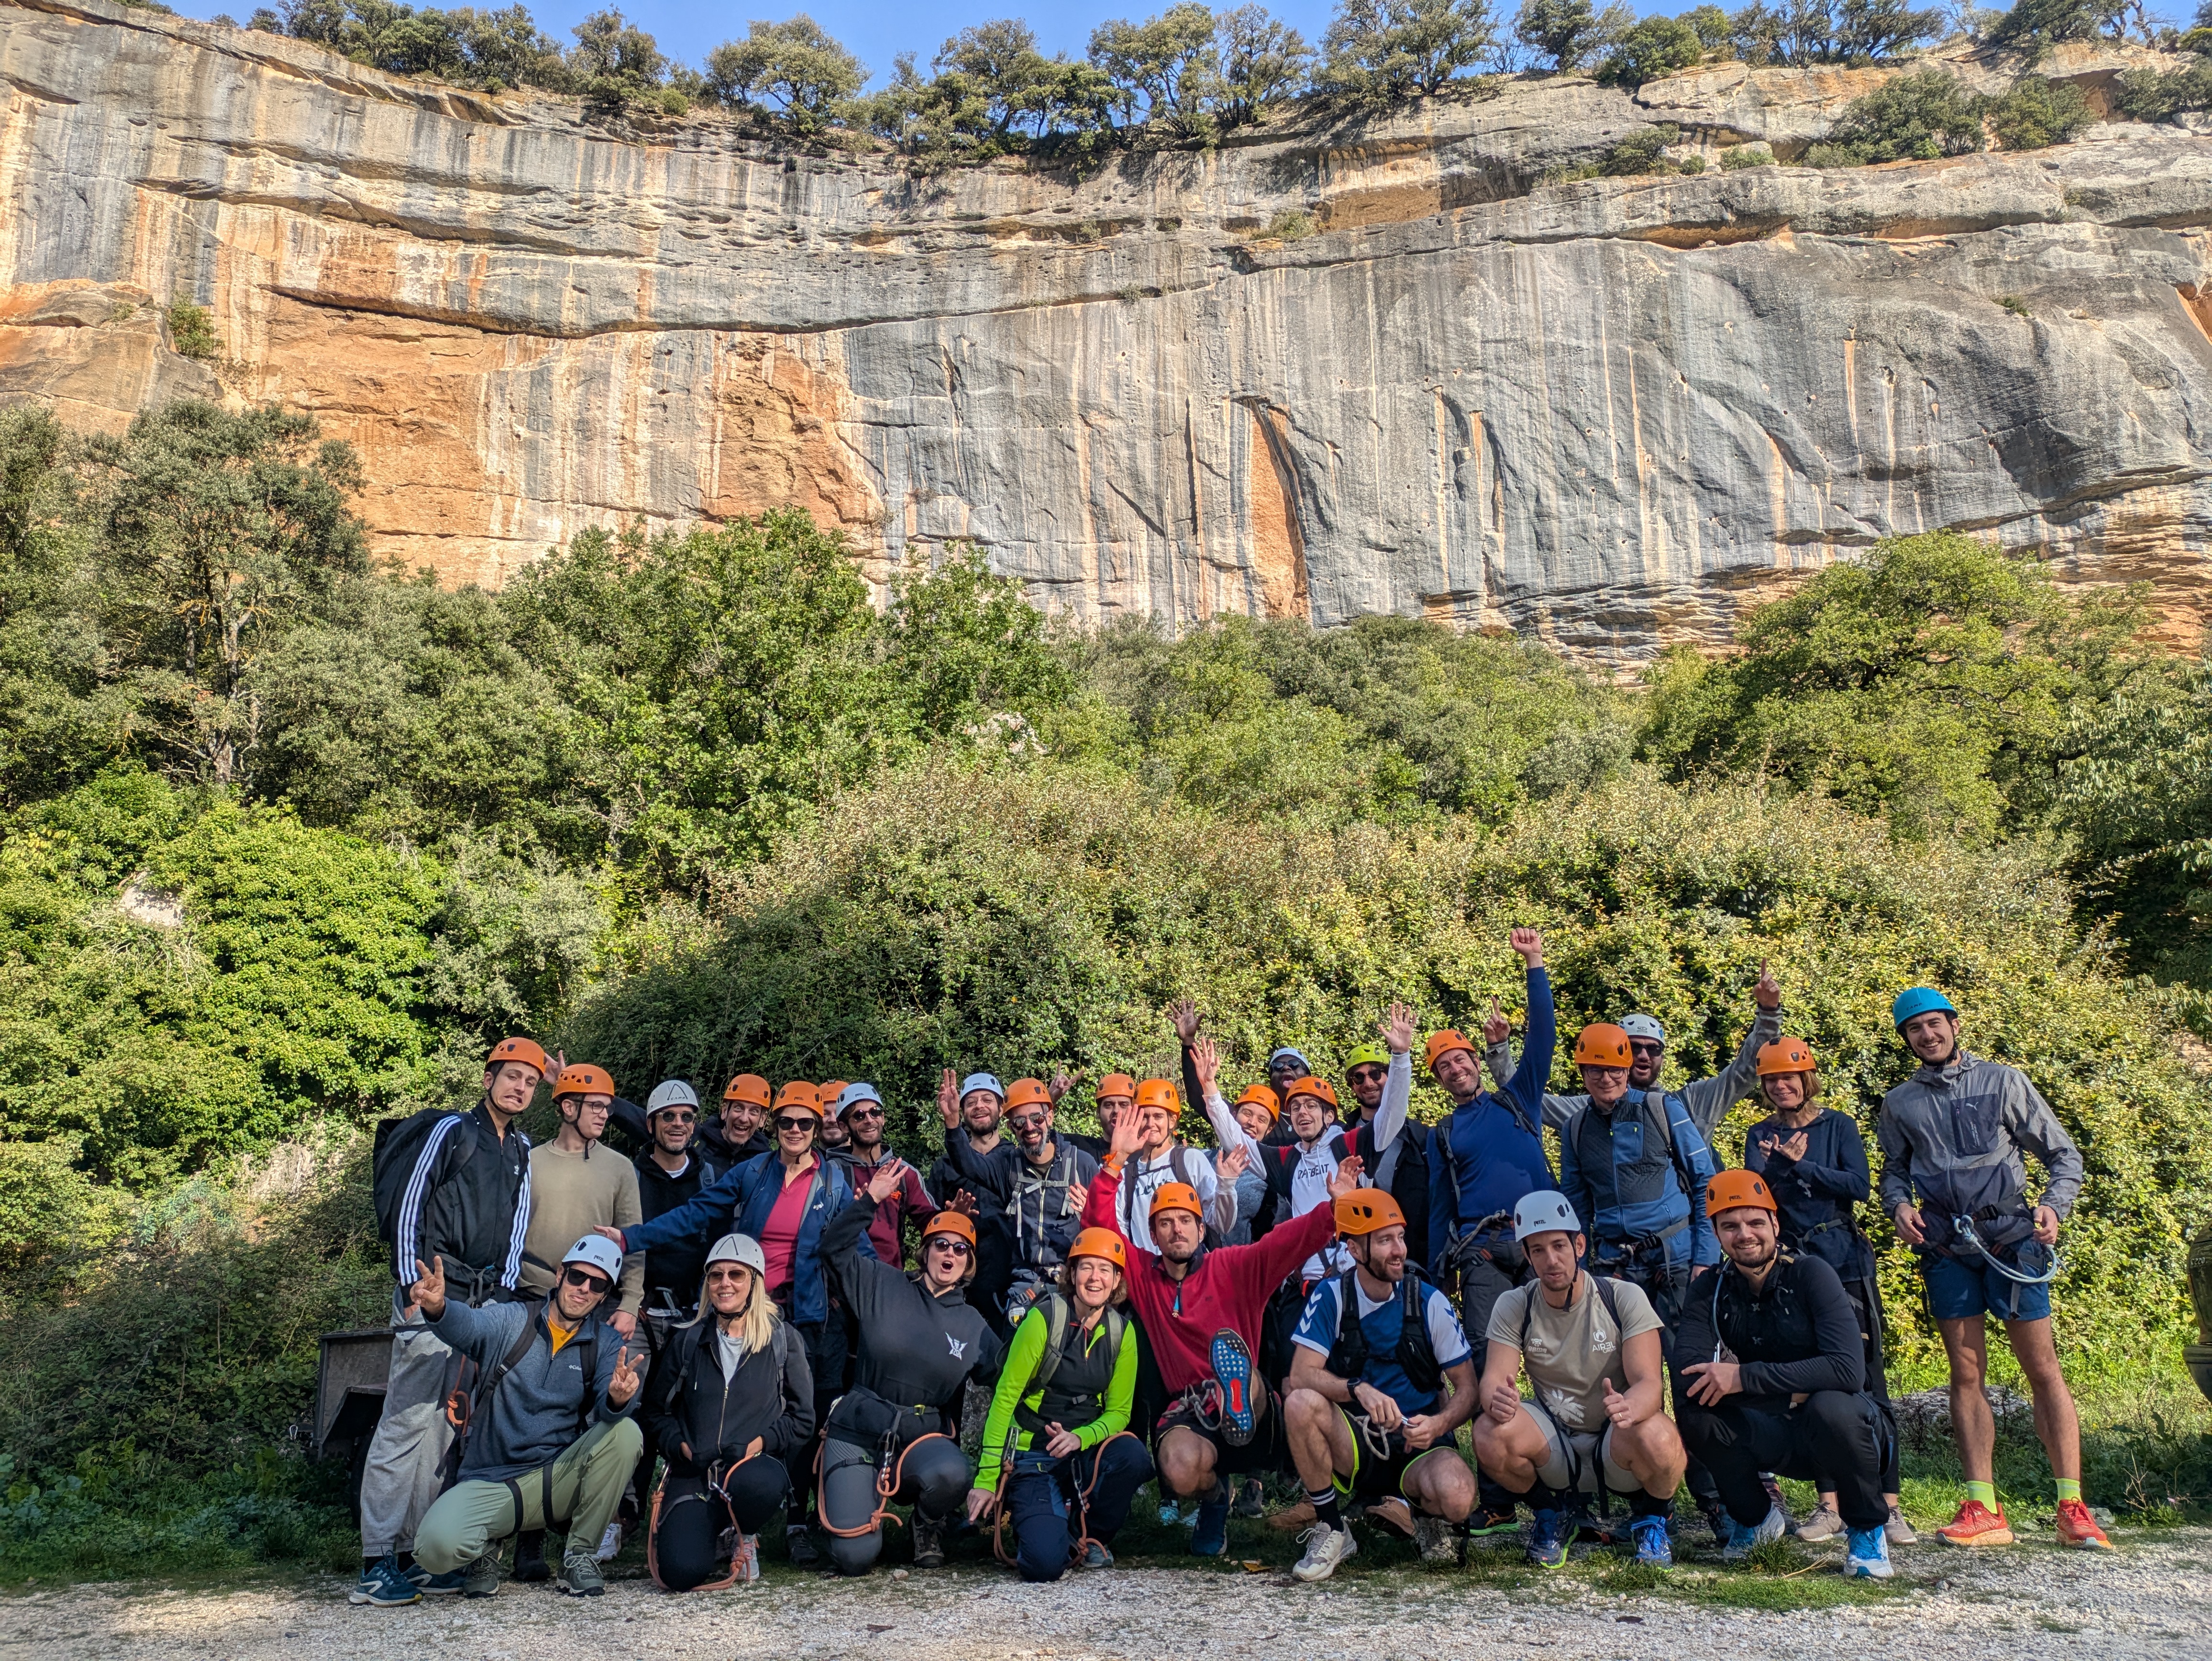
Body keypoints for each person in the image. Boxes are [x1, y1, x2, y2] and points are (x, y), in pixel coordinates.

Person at [1879, 987, 2109, 1550]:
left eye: (1934, 1024)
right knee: (1965, 1373)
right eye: (1914, 1030)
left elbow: (2063, 1155)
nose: (1927, 1035)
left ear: (1954, 1025)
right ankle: (1982, 1506)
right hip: (1947, 1249)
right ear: (1906, 1039)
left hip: (2012, 1240)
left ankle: (2071, 1506)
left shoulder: (2004, 1081)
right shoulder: (1899, 1101)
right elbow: (1891, 1172)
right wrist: (1899, 1206)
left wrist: (2054, 1204)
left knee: (2042, 1367)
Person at [607, 1079, 868, 1568]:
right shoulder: (753, 1172)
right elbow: (695, 1214)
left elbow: (858, 1246)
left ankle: (793, 1519)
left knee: (802, 1417)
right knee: (737, 1407)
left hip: (807, 1315)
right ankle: (719, 1509)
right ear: (775, 1126)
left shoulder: (834, 1183)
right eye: (786, 1121)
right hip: (750, 1311)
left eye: (805, 1122)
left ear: (816, 1128)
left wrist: (890, 1300)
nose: (795, 1129)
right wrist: (630, 1238)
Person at [1083, 1105, 1360, 1558]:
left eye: (1185, 1221)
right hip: (1190, 1411)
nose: (1176, 1231)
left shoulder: (1234, 1266)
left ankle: (1234, 1396)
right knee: (1176, 1464)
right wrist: (1115, 1162)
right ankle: (1215, 1500)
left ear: (1202, 1225)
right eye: (1165, 1223)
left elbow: (1291, 1240)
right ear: (1153, 1232)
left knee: (1240, 1373)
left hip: (1253, 1412)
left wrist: (1336, 1207)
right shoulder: (1144, 1276)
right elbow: (1099, 1230)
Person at [354, 1035, 542, 1607]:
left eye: (530, 1081)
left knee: (442, 1424)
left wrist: (504, 1296)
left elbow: (516, 1228)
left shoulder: (522, 1149)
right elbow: (412, 1205)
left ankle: (412, 1554)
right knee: (404, 1421)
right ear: (487, 1079)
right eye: (510, 1076)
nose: (519, 1087)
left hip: (478, 1302)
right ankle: (375, 1560)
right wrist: (412, 1281)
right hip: (431, 1290)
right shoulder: (452, 1132)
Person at [1674, 1171, 1898, 1579]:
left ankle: (1866, 1529)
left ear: (1775, 1225)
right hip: (1778, 1427)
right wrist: (1793, 1393)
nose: (1745, 1234)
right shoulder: (1710, 1288)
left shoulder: (1812, 1274)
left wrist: (1744, 1379)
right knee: (1697, 1411)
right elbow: (1688, 1375)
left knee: (1831, 1406)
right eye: (1731, 1226)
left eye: (1756, 1222)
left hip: (1846, 1429)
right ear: (1717, 1234)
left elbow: (1848, 1371)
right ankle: (1756, 1519)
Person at [408, 1235, 646, 1599]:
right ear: (560, 1275)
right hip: (491, 1479)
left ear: (603, 1295)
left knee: (626, 1432)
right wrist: (440, 1308)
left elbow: (607, 1406)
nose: (584, 1289)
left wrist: (617, 1398)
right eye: (578, 1277)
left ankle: (579, 1556)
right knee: (434, 1550)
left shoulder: (606, 1342)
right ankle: (486, 1549)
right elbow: (469, 1326)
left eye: (597, 1285)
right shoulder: (512, 1320)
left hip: (556, 1478)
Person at [1742, 1038, 1910, 1544]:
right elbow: (1755, 1193)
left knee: (1868, 1379)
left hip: (1844, 1262)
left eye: (1788, 1078)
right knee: (1810, 1381)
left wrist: (1801, 1166)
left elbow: (1858, 1185)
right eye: (1771, 1080)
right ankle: (1829, 1504)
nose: (1780, 1086)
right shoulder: (1760, 1134)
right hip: (1792, 1266)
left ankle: (1890, 1504)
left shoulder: (1836, 1126)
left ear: (1806, 1078)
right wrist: (1779, 1166)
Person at [1472, 1191, 1685, 1572]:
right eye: (1537, 1250)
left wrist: (1629, 1406)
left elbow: (1651, 1384)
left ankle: (1653, 1520)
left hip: (1617, 1441)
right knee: (1489, 1431)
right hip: (1557, 1441)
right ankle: (1552, 1515)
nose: (1551, 1260)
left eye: (1559, 1245)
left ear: (1580, 1244)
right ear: (1526, 1256)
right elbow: (1492, 1381)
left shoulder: (1623, 1297)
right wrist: (1497, 1400)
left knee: (1661, 1436)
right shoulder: (1514, 1304)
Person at [1422, 926, 1554, 1535]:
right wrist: (1429, 1274)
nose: (1455, 1070)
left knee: (1564, 1360)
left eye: (1461, 1059)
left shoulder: (1517, 1099)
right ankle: (1500, 1494)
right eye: (1444, 1067)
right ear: (1440, 1079)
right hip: (1479, 1251)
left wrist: (1534, 963)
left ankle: (1568, 1488)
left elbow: (1544, 1037)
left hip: (1541, 1241)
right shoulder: (1443, 1134)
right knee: (1484, 1367)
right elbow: (1436, 1208)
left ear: (1477, 1061)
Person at [818, 1164, 1004, 1575]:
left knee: (954, 1472)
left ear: (970, 1262)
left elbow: (1011, 1382)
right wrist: (871, 1201)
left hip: (921, 1442)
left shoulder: (974, 1326)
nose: (949, 1254)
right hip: (860, 1430)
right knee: (854, 1558)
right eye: (941, 1245)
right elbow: (833, 1249)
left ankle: (927, 1525)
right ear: (925, 1250)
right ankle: (847, 1507)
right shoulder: (881, 1283)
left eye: (960, 1249)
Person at [1283, 1191, 1477, 1581]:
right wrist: (1358, 1389)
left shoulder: (1429, 1301)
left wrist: (1437, 1427)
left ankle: (1427, 1519)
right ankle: (1333, 1526)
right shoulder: (1332, 1295)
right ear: (1355, 1249)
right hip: (1356, 1440)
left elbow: (1469, 1390)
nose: (1399, 1250)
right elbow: (1301, 1374)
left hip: (1419, 1442)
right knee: (1300, 1402)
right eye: (1385, 1240)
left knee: (1458, 1496)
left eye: (1401, 1238)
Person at [512, 1063, 644, 1577]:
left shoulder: (618, 1168)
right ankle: (523, 1542)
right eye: (595, 1107)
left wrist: (629, 1304)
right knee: (526, 1415)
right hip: (530, 1298)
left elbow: (633, 1243)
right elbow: (510, 1231)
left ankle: (580, 1534)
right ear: (567, 1107)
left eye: (608, 1108)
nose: (604, 1115)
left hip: (598, 1305)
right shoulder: (527, 1160)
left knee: (585, 1415)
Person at [969, 1227, 1152, 1579]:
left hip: (1081, 1453)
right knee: (1043, 1566)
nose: (1095, 1278)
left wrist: (1080, 1437)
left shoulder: (1121, 1332)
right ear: (1072, 1273)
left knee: (1132, 1456)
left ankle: (1090, 1536)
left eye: (1105, 1270)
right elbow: (1005, 1397)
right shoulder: (1043, 1319)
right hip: (1033, 1454)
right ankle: (1047, 1527)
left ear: (1117, 1281)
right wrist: (988, 1476)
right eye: (1086, 1267)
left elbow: (1120, 1413)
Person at [642, 1233, 814, 1591]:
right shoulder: (687, 1340)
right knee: (680, 1574)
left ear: (755, 1282)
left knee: (760, 1483)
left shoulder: (782, 1340)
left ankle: (744, 1536)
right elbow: (655, 1413)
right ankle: (710, 1532)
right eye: (716, 1275)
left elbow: (803, 1419)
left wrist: (758, 1445)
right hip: (695, 1474)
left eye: (737, 1274)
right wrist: (681, 1448)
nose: (725, 1284)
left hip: (751, 1470)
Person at [1485, 966, 1785, 1141]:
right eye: (1632, 1047)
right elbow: (1525, 1096)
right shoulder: (1589, 1109)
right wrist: (1499, 1049)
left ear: (1663, 1056)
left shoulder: (1693, 1102)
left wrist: (1769, 1012)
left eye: (1653, 1048)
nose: (1643, 1055)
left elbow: (1746, 1070)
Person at [626, 1078, 725, 1539]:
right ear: (651, 1124)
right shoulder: (631, 1176)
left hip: (692, 1313)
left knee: (694, 1411)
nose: (679, 1125)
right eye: (669, 1116)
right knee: (630, 1407)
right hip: (642, 1310)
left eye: (687, 1117)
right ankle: (620, 1514)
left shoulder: (710, 1178)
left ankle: (689, 1512)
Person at [932, 1070, 1019, 1334]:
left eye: (987, 1100)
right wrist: (952, 1220)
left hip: (1009, 1284)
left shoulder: (1017, 1161)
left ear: (1002, 1108)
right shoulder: (944, 1167)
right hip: (956, 1285)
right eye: (971, 1102)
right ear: (963, 1111)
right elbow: (928, 1225)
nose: (979, 1106)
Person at [1110, 1077, 1234, 1254]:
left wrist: (1226, 1187)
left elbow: (1221, 1223)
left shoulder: (1191, 1160)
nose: (1151, 1124)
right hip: (1147, 1274)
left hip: (1189, 1270)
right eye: (1144, 1117)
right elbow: (1121, 1230)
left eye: (1158, 1116)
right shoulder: (1127, 1174)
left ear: (1172, 1121)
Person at [1344, 1040, 1429, 1276]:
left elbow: (1440, 1198)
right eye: (1358, 1078)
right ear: (1351, 1086)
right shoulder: (1340, 1138)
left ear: (1390, 1077)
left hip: (1416, 1257)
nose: (1368, 1083)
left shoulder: (1422, 1136)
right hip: (1361, 1259)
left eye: (1375, 1073)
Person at [826, 1082, 935, 1264]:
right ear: (844, 1126)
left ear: (883, 1118)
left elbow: (930, 1222)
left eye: (875, 1112)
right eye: (859, 1116)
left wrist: (954, 1216)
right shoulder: (833, 1173)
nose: (869, 1120)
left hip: (891, 1279)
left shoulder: (903, 1173)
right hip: (846, 1278)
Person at [1220, 1084, 1280, 1247]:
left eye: (1262, 1120)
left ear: (1269, 1129)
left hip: (1239, 1264)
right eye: (1247, 1114)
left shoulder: (1270, 1176)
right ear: (1234, 1115)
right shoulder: (1203, 1161)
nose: (1252, 1123)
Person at [703, 1073, 774, 1165]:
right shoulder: (698, 1146)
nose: (744, 1119)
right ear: (725, 1111)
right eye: (738, 1108)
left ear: (762, 1119)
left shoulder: (765, 1160)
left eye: (754, 1111)